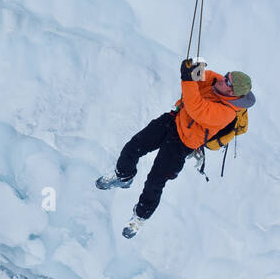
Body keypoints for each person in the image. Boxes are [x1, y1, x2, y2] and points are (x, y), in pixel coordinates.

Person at [96, 59, 254, 238]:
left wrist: (187, 79)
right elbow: (203, 77)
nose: (222, 78)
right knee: (133, 146)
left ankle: (140, 216)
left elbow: (196, 108)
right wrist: (195, 68)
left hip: (183, 143)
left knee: (155, 181)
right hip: (174, 120)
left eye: (227, 80)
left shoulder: (226, 113)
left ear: (232, 93)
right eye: (226, 75)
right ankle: (123, 176)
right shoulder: (217, 82)